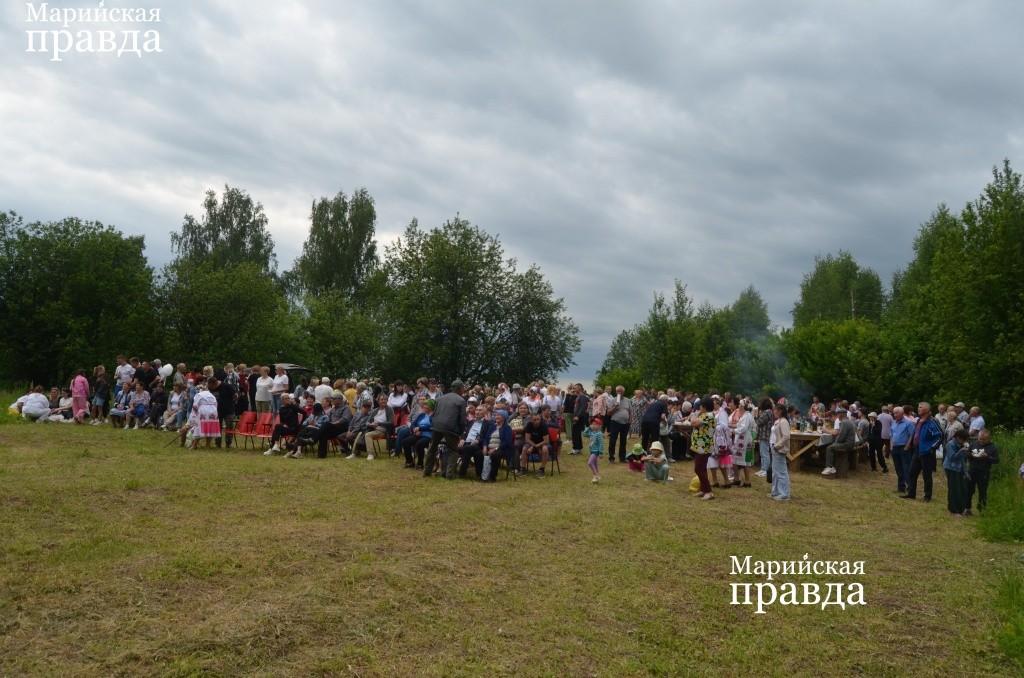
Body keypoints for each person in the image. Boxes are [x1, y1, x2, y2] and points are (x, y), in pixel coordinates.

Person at [423, 381, 468, 479]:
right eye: (463, 388)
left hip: (436, 426)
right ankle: (450, 474)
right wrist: (459, 433)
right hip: (450, 428)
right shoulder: (461, 400)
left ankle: (426, 471)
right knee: (453, 451)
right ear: (460, 388)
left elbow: (434, 414)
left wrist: (433, 425)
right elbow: (462, 420)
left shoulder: (440, 398)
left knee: (432, 448)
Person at [901, 402, 943, 502]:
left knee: (926, 475)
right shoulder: (919, 420)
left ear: (927, 410)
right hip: (916, 450)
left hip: (926, 452)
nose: (918, 409)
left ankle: (927, 496)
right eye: (918, 407)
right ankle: (911, 493)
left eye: (921, 407)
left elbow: (940, 435)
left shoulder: (932, 422)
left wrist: (932, 448)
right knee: (912, 472)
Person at [966, 429, 999, 514]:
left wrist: (987, 457)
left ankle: (981, 510)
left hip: (984, 472)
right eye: (980, 439)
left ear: (989, 438)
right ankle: (967, 508)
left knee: (982, 491)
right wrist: (972, 455)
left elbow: (996, 460)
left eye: (984, 439)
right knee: (969, 490)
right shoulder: (973, 444)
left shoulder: (993, 447)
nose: (981, 441)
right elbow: (967, 455)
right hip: (972, 471)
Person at [457, 404, 494, 479]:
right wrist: (462, 439)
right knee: (451, 448)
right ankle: (447, 470)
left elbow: (488, 437)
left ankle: (462, 473)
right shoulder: (470, 422)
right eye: (476, 410)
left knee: (469, 448)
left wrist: (478, 440)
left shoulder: (488, 424)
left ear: (484, 413)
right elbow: (465, 433)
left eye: (480, 410)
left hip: (477, 444)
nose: (477, 411)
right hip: (466, 443)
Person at [689, 397, 715, 500]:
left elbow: (692, 423)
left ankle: (708, 491)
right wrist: (699, 413)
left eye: (701, 406)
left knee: (698, 468)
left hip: (704, 447)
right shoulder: (706, 415)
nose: (699, 407)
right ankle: (704, 490)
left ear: (704, 407)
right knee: (702, 468)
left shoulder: (708, 416)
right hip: (701, 446)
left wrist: (698, 413)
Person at [943, 429, 970, 517]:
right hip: (951, 468)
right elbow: (952, 457)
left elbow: (962, 460)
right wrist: (962, 451)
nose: (964, 441)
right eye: (963, 439)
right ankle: (953, 511)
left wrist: (966, 473)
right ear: (958, 437)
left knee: (962, 489)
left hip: (959, 469)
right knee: (954, 490)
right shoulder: (950, 444)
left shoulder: (961, 444)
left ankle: (960, 509)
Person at [822, 408, 856, 475]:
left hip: (848, 444)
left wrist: (835, 443)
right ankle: (832, 467)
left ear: (841, 415)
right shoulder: (847, 421)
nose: (837, 417)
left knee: (830, 448)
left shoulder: (844, 422)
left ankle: (829, 467)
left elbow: (841, 437)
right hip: (850, 443)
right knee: (832, 446)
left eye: (837, 415)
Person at [518, 411, 551, 478]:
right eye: (535, 420)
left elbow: (546, 441)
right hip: (532, 443)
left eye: (538, 419)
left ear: (540, 419)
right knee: (524, 448)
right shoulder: (529, 425)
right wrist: (535, 447)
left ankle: (542, 469)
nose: (537, 421)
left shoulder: (543, 426)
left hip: (543, 444)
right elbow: (527, 439)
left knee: (545, 449)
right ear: (531, 420)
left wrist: (535, 447)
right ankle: (523, 468)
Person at [889, 406, 915, 493]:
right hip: (895, 448)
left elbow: (912, 435)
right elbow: (892, 435)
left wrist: (907, 447)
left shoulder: (908, 423)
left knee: (906, 468)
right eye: (894, 413)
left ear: (902, 413)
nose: (895, 415)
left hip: (904, 447)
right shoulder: (894, 423)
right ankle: (901, 486)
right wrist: (891, 446)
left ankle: (910, 487)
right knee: (898, 468)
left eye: (897, 413)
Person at [402, 399, 433, 469]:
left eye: (426, 405)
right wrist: (414, 430)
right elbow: (413, 424)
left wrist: (420, 428)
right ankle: (409, 462)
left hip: (428, 435)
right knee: (405, 442)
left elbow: (432, 426)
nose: (424, 406)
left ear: (431, 406)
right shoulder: (422, 415)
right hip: (418, 434)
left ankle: (420, 463)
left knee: (419, 444)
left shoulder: (434, 416)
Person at [769, 403, 791, 500]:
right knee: (775, 471)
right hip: (774, 447)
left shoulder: (783, 422)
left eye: (775, 410)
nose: (774, 412)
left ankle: (784, 494)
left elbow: (786, 436)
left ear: (780, 411)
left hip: (778, 449)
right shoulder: (778, 421)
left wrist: (777, 446)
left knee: (781, 472)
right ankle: (776, 491)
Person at [190, 381, 221, 449]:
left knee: (199, 427)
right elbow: (216, 404)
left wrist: (194, 413)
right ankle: (207, 444)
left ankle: (194, 445)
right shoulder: (212, 395)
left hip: (203, 411)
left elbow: (195, 406)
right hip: (213, 412)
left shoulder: (199, 395)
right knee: (210, 427)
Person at [607, 385, 631, 463]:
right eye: (617, 391)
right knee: (613, 440)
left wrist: (630, 421)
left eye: (620, 391)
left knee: (623, 441)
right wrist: (615, 407)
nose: (619, 392)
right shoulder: (613, 400)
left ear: (623, 392)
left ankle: (622, 458)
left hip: (625, 423)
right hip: (615, 422)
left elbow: (630, 411)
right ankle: (611, 457)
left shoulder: (627, 400)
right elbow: (608, 413)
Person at [581, 416, 604, 483]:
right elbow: (584, 434)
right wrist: (588, 428)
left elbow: (601, 444)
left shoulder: (599, 434)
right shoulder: (592, 433)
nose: (593, 426)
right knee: (595, 464)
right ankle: (598, 476)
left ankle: (595, 476)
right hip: (592, 451)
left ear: (599, 426)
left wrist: (600, 452)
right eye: (592, 424)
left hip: (596, 452)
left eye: (595, 424)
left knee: (590, 463)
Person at [754, 397, 773, 477]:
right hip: (763, 435)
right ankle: (763, 469)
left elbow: (759, 422)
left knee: (765, 453)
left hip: (765, 435)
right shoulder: (766, 411)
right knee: (762, 453)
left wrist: (755, 414)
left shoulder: (767, 412)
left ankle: (766, 470)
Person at [571, 384, 590, 455]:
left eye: (575, 388)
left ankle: (575, 449)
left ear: (580, 388)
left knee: (575, 433)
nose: (574, 390)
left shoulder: (582, 396)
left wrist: (578, 416)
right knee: (577, 433)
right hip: (577, 416)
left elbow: (583, 407)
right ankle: (579, 448)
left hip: (579, 417)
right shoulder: (578, 396)